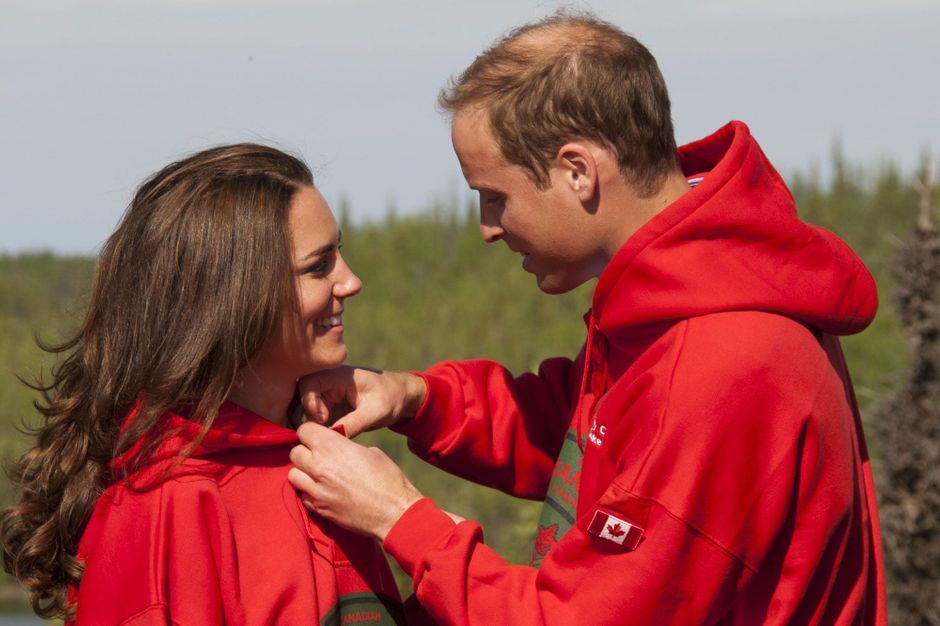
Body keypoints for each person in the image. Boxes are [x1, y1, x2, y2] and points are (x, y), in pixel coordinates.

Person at [287, 11, 888, 626]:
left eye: (496, 196)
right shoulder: (683, 296)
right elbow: (585, 433)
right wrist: (415, 398)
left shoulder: (722, 362)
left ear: (578, 171)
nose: (488, 229)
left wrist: (400, 517)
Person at [0, 144, 408, 624]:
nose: (351, 281)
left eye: (340, 254)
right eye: (319, 266)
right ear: (236, 296)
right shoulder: (167, 508)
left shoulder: (331, 473)